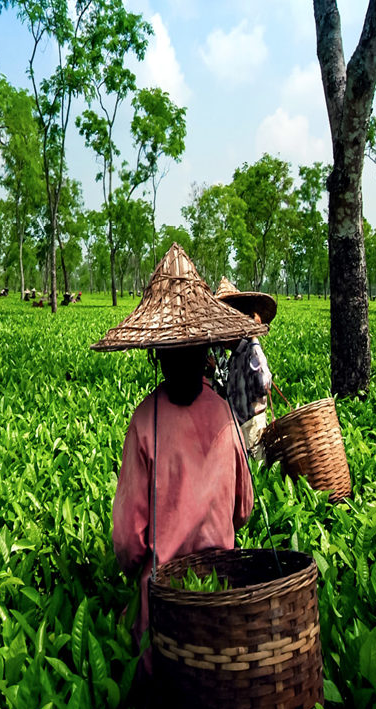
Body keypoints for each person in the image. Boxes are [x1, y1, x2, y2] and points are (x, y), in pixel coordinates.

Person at [92, 244, 266, 678]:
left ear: (157, 354)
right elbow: (243, 510)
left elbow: (128, 542)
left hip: (163, 609)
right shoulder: (224, 414)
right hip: (221, 598)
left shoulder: (144, 421)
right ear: (205, 352)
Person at [213, 277, 276, 461]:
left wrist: (254, 337)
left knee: (255, 475)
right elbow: (229, 393)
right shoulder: (234, 357)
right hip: (238, 431)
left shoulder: (250, 351)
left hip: (253, 434)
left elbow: (264, 383)